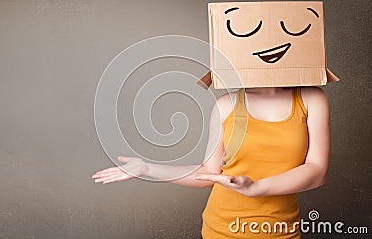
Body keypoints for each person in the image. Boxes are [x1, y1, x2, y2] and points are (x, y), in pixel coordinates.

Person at [92, 86, 330, 238]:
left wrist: (256, 188)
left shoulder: (310, 98)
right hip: (223, 228)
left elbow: (317, 171)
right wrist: (148, 168)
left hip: (279, 230)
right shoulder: (226, 104)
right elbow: (209, 172)